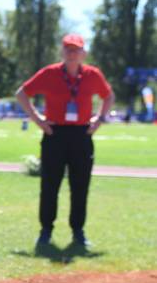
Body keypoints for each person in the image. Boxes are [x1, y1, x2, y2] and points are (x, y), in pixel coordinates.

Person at [16, 34, 114, 248]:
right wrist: (38, 120)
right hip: (55, 134)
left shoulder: (92, 75)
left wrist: (99, 119)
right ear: (62, 52)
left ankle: (78, 231)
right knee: (49, 185)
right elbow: (22, 93)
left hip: (82, 135)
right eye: (68, 49)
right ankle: (46, 231)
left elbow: (108, 96)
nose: (71, 53)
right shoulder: (50, 73)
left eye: (76, 49)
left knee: (80, 186)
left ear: (83, 53)